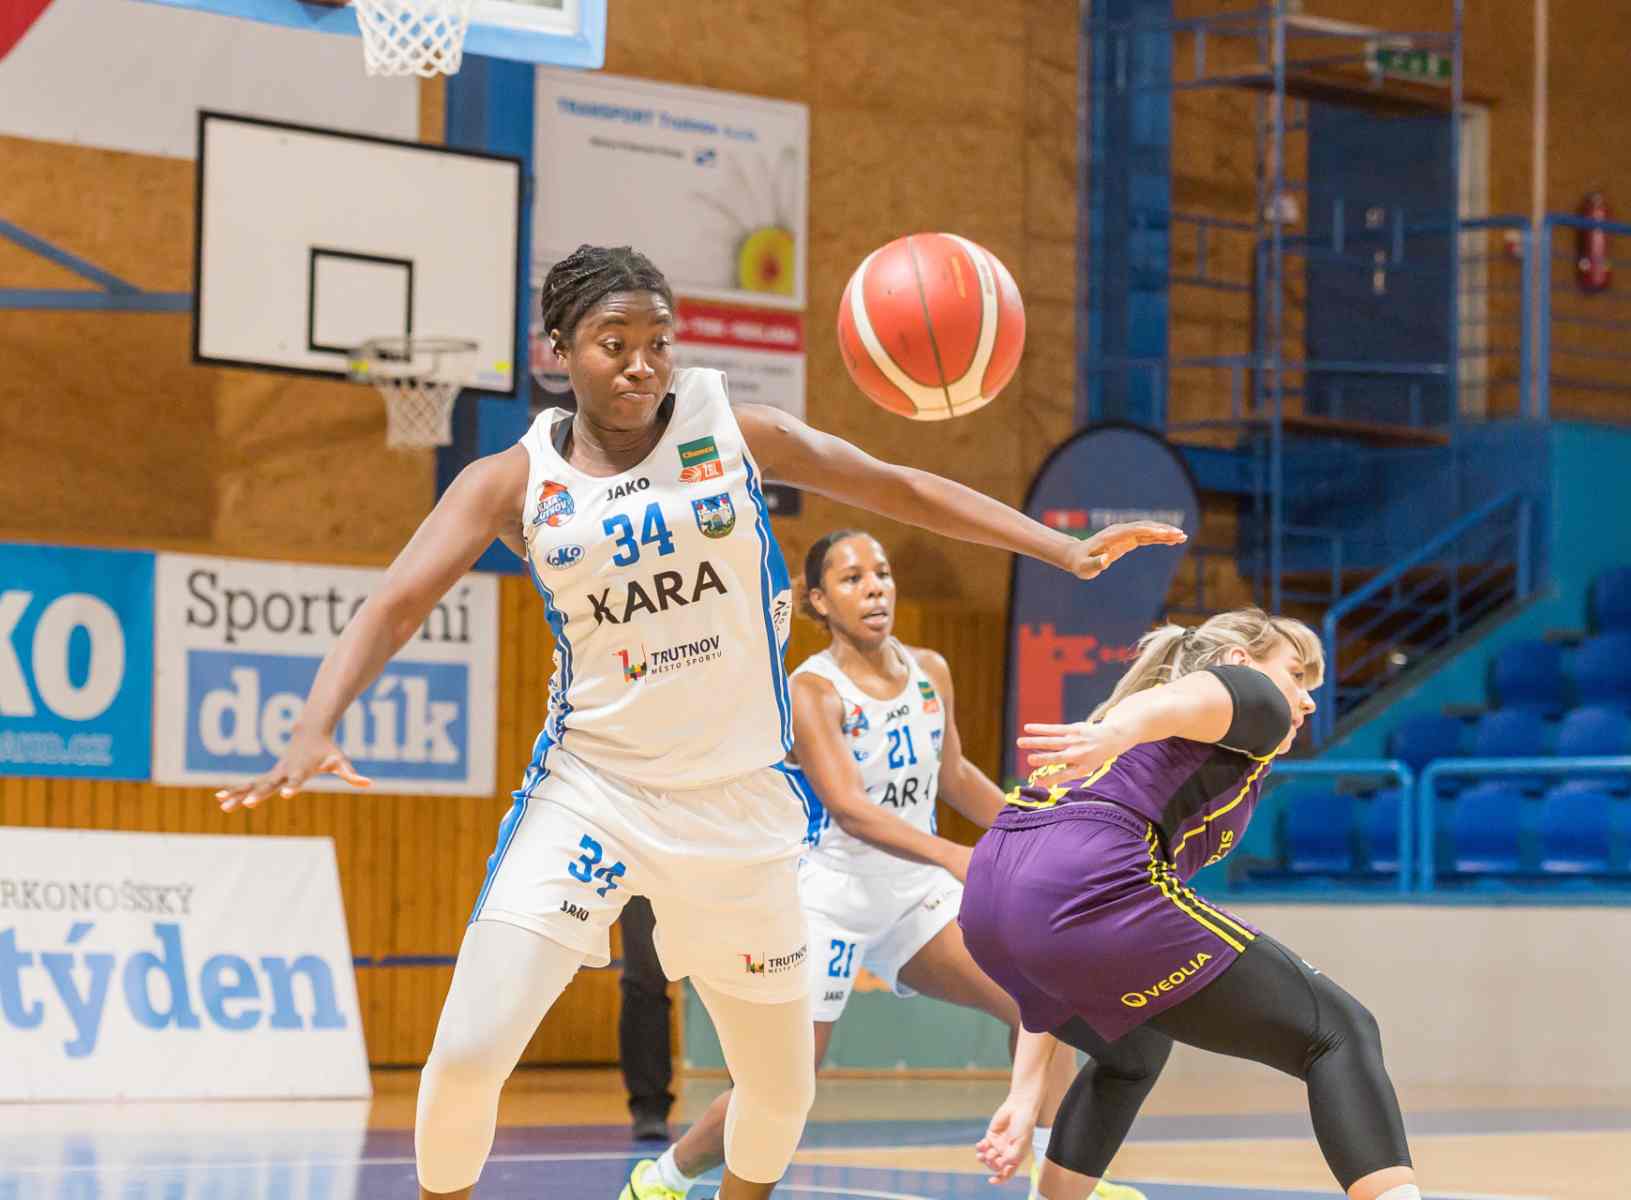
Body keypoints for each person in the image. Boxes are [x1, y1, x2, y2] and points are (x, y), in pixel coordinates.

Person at [212, 243, 1183, 1200]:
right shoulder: (510, 482)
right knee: (466, 1057)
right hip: (592, 793)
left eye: (658, 342)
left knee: (781, 1090)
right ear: (559, 351)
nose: (642, 364)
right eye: (613, 343)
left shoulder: (731, 429)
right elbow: (395, 604)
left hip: (739, 807)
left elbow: (899, 485)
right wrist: (314, 724)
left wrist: (1063, 551)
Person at [621, 530, 1143, 1200]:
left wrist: (1038, 829)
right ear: (819, 600)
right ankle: (662, 1179)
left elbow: (954, 775)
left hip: (913, 895)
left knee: (1038, 1001)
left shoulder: (931, 670)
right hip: (826, 899)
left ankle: (1059, 1181)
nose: (874, 589)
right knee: (781, 1087)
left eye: (883, 574)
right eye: (852, 578)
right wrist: (957, 855)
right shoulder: (812, 689)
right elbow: (850, 809)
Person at [959, 610, 1424, 1200]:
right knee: (1338, 1031)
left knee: (1135, 1045)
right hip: (1080, 880)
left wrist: (1025, 1094)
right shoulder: (1244, 703)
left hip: (993, 899)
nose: (1306, 701)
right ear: (1239, 663)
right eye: (1296, 674)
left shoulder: (1155, 753)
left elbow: (1053, 950)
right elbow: (1188, 695)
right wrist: (1116, 729)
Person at [617, 894, 674, 1142]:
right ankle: (649, 1108)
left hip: (721, 871)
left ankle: (745, 1099)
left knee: (739, 974)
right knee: (644, 980)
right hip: (643, 874)